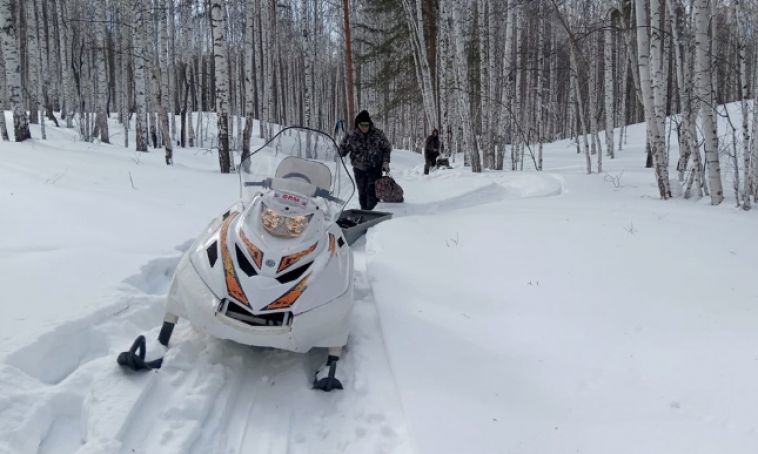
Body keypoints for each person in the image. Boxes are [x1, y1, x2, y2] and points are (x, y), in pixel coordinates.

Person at [339, 110, 392, 210]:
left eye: (367, 125)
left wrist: (385, 162)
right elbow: (342, 152)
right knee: (362, 193)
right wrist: (343, 142)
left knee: (372, 193)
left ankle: (373, 215)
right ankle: (364, 213)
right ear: (357, 124)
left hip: (375, 168)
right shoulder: (351, 135)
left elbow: (387, 148)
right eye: (362, 125)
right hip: (359, 169)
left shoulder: (378, 134)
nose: (365, 127)